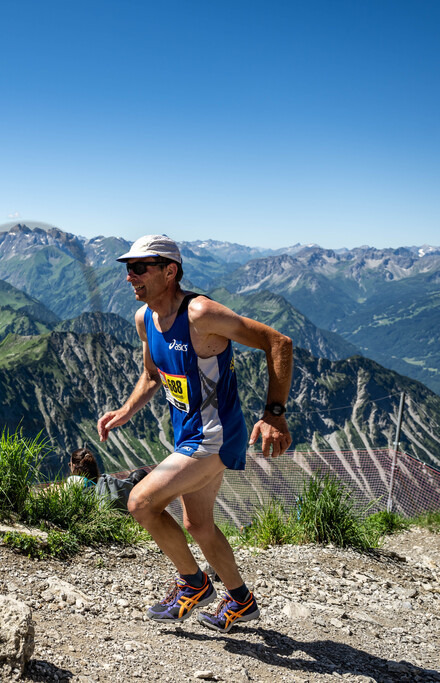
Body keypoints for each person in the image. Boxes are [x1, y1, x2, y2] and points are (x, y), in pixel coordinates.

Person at [97, 234, 293, 633]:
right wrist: (126, 410)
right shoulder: (146, 319)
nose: (129, 277)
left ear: (170, 271)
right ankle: (242, 601)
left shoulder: (200, 314)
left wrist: (274, 414)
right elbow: (153, 375)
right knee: (198, 525)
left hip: (217, 435)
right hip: (189, 434)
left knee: (140, 503)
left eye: (139, 268)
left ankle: (194, 584)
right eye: (127, 269)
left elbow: (278, 342)